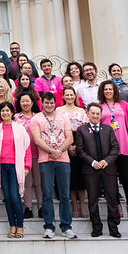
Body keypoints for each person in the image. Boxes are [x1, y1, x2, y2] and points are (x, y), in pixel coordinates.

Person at [30, 92, 76, 239]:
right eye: (46, 103)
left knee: (64, 195)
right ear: (42, 103)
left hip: (63, 160)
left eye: (51, 103)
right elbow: (37, 140)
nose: (49, 105)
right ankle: (49, 226)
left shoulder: (63, 117)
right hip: (45, 160)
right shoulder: (36, 118)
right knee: (47, 194)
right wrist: (52, 151)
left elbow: (70, 137)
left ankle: (66, 226)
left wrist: (60, 151)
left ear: (55, 103)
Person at [74, 103, 121, 238]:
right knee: (93, 198)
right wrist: (93, 162)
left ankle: (113, 227)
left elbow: (115, 148)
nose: (95, 116)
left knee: (112, 198)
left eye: (97, 114)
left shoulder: (108, 129)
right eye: (92, 113)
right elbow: (80, 150)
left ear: (101, 115)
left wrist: (106, 161)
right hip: (90, 169)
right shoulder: (82, 130)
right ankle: (96, 227)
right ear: (88, 114)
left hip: (108, 168)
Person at [98, 79, 128, 219]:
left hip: (124, 145)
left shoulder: (124, 104)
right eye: (106, 89)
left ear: (115, 90)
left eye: (110, 89)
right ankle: (117, 204)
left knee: (126, 176)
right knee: (111, 178)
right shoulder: (99, 106)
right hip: (107, 148)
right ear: (102, 92)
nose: (108, 91)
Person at [0, 101, 31, 238]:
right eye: (2, 111)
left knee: (15, 197)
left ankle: (20, 226)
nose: (5, 113)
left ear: (12, 113)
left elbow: (27, 147)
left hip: (16, 167)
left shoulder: (20, 128)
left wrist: (27, 166)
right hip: (3, 167)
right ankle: (12, 226)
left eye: (7, 111)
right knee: (8, 197)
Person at [58, 86, 90, 218]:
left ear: (75, 96)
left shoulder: (81, 110)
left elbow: (85, 130)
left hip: (80, 143)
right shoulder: (58, 110)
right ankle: (74, 206)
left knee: (81, 176)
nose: (70, 97)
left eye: (72, 95)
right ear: (63, 96)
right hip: (64, 142)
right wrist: (68, 145)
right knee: (70, 176)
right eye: (67, 95)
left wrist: (77, 146)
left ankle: (82, 205)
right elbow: (58, 129)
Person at [14, 92, 41, 219]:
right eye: (22, 101)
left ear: (32, 102)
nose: (25, 103)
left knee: (39, 182)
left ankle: (41, 207)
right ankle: (28, 208)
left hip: (38, 152)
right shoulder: (16, 118)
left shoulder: (38, 117)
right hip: (23, 155)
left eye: (27, 101)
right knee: (27, 182)